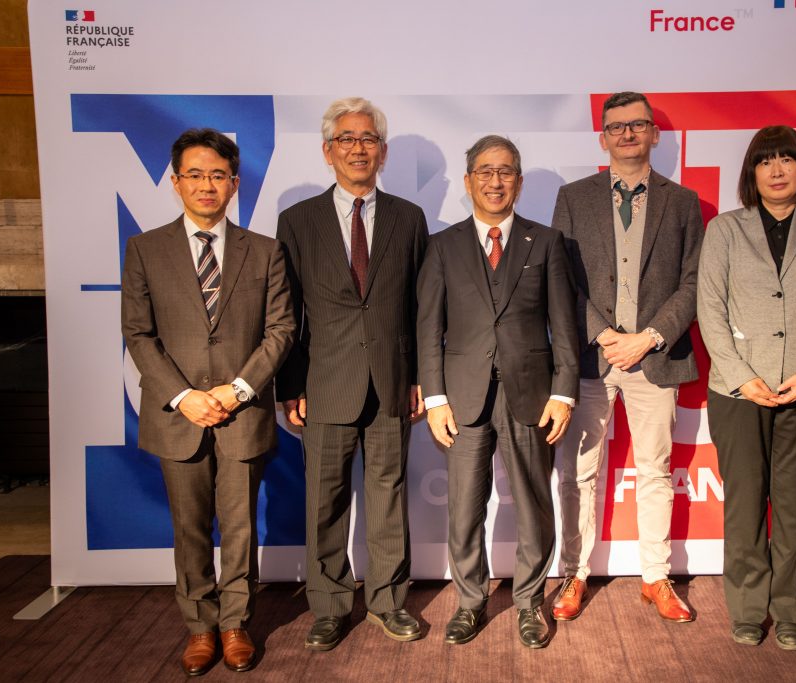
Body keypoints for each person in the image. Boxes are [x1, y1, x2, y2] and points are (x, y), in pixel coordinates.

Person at [121, 128, 296, 675]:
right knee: (190, 525)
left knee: (240, 526)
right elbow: (138, 333)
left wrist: (237, 390)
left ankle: (234, 623)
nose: (206, 185)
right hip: (179, 415)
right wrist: (183, 397)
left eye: (218, 175)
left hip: (241, 411)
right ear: (175, 182)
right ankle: (199, 626)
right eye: (195, 174)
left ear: (234, 184)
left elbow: (281, 330)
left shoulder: (265, 251)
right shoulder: (145, 249)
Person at [275, 97, 429, 651]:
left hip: (392, 383)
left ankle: (388, 602)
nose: (358, 148)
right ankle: (331, 606)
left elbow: (418, 306)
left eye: (368, 139)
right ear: (327, 151)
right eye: (347, 139)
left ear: (382, 152)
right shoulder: (297, 221)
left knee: (389, 499)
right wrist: (290, 386)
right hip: (323, 385)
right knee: (325, 500)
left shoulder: (409, 219)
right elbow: (285, 311)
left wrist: (419, 379)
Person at [417, 135, 579, 648]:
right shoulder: (442, 246)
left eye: (505, 171)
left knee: (534, 504)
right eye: (485, 172)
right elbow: (428, 327)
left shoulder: (547, 242)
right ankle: (470, 602)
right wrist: (436, 397)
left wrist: (565, 392)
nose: (495, 181)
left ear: (519, 182)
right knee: (465, 507)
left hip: (531, 396)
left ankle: (530, 603)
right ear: (468, 182)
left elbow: (565, 326)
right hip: (462, 401)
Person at [697, 125, 796, 651]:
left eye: (788, 160)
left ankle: (789, 609)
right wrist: (743, 376)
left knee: (795, 508)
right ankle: (745, 608)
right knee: (744, 505)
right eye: (767, 161)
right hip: (739, 392)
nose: (778, 170)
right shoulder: (724, 230)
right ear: (752, 173)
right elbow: (710, 310)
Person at [550, 92, 703, 622]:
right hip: (592, 359)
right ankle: (573, 573)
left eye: (638, 125)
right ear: (603, 138)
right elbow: (562, 281)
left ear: (655, 134)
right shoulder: (574, 197)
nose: (627, 134)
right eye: (616, 127)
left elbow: (693, 283)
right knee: (577, 473)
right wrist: (602, 333)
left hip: (655, 358)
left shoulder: (682, 202)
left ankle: (656, 578)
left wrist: (651, 336)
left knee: (655, 470)